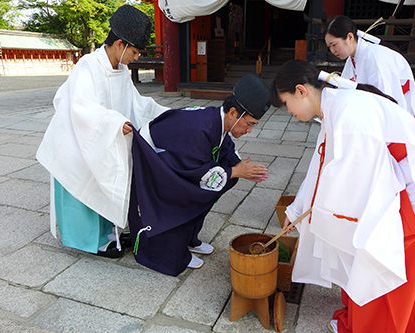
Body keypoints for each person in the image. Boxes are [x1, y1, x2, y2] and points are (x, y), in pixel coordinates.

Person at [270, 59, 415, 333]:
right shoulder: (335, 106)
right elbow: (321, 164)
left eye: (286, 103)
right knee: (373, 260)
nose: (289, 111)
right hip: (400, 184)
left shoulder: (348, 114)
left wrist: (319, 215)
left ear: (301, 91)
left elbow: (352, 183)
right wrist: (297, 212)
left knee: (384, 266)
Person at [36, 5, 168, 258]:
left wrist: (165, 114)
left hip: (101, 140)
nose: (137, 57)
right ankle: (90, 241)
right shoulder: (88, 66)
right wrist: (115, 123)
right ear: (120, 44)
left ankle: (108, 235)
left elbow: (136, 103)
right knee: (84, 191)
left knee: (108, 179)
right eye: (135, 51)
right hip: (75, 143)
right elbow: (80, 107)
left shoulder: (121, 71)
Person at [129, 74, 270, 276]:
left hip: (176, 156)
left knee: (218, 182)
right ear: (233, 112)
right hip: (152, 160)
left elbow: (225, 150)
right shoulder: (198, 128)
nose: (249, 130)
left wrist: (237, 166)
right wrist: (235, 171)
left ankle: (190, 239)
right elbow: (195, 173)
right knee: (185, 197)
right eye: (249, 124)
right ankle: (176, 254)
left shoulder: (216, 120)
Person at [324, 15, 415, 131]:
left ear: (350, 37)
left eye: (334, 45)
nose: (332, 50)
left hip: (392, 119)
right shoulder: (352, 58)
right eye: (329, 47)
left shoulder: (377, 58)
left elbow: (386, 100)